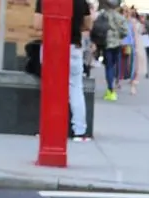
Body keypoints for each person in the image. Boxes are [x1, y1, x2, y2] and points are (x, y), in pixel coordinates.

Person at [33, 0, 92, 140]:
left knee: (51, 90)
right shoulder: (80, 1)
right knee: (76, 89)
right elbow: (88, 25)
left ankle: (48, 129)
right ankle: (80, 131)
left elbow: (37, 24)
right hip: (73, 47)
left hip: (51, 44)